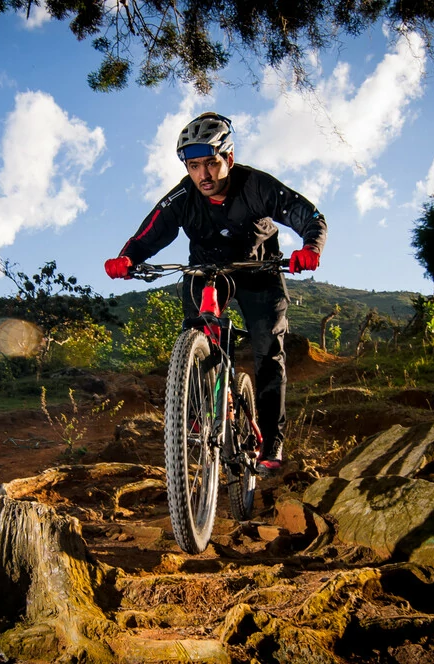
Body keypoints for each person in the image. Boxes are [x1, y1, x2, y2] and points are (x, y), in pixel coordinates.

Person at [104, 112, 327, 474]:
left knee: (268, 351)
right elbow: (151, 232)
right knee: (193, 333)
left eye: (211, 163)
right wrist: (127, 258)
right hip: (206, 271)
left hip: (258, 271)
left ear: (229, 159)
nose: (203, 175)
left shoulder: (255, 186)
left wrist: (310, 248)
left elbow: (308, 215)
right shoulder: (183, 195)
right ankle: (196, 411)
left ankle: (272, 438)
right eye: (194, 166)